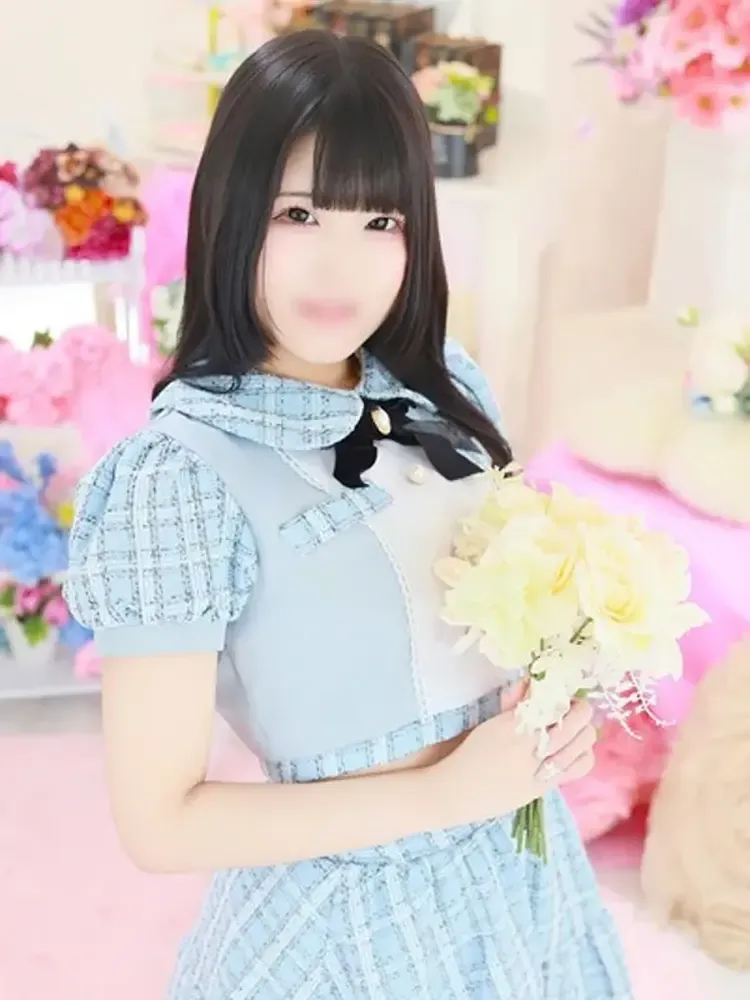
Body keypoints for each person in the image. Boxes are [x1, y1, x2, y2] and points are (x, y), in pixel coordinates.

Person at [64, 29, 632, 1000]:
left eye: (380, 220)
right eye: (299, 212)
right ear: (232, 210)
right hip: (348, 924)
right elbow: (161, 823)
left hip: (514, 873)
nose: (343, 265)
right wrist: (442, 793)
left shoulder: (444, 386)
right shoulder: (180, 475)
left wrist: (552, 705)